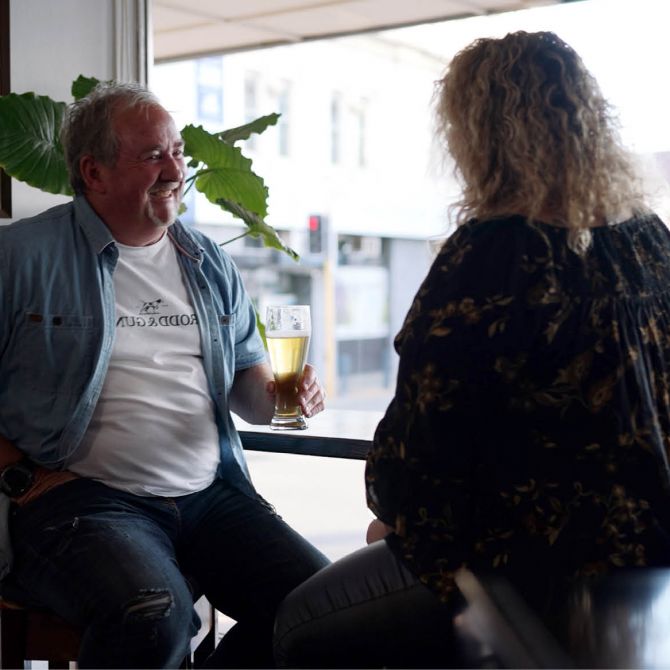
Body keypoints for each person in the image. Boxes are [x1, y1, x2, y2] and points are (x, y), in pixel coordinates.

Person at [273, 30, 670, 668]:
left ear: (481, 132)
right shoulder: (650, 240)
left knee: (297, 626)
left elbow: (416, 456)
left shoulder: (490, 253)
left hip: (524, 575)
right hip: (653, 565)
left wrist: (396, 525)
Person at [0, 82, 330, 669]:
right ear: (93, 172)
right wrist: (19, 477)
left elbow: (249, 395)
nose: (175, 168)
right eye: (153, 155)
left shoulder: (207, 260)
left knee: (326, 612)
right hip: (84, 502)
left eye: (177, 151)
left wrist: (289, 391)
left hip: (209, 496)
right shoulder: (21, 258)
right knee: (150, 614)